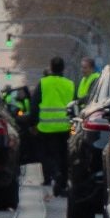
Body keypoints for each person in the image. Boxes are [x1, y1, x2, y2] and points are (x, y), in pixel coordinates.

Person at [36, 56, 76, 196]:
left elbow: (35, 104)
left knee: (48, 155)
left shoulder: (43, 83)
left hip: (46, 128)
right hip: (65, 127)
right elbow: (75, 104)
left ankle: (54, 174)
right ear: (63, 68)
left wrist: (32, 124)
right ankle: (63, 181)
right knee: (64, 155)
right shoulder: (70, 84)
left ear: (51, 67)